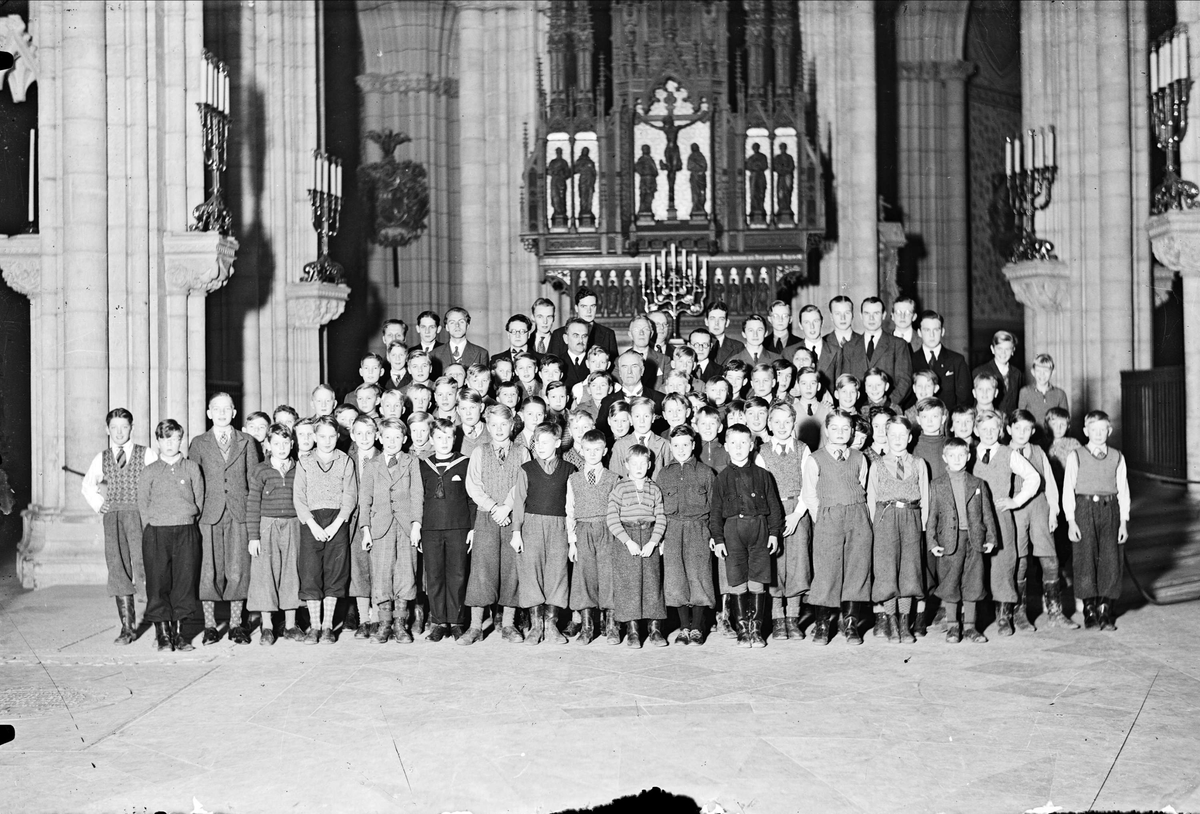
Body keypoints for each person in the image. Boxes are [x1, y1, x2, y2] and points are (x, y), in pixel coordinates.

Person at [190, 392, 263, 646]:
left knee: (238, 568)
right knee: (207, 570)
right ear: (209, 413)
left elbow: (254, 481)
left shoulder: (247, 442)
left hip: (238, 513)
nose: (221, 413)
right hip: (208, 515)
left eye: (227, 409)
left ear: (234, 412)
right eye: (216, 409)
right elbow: (194, 483)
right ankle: (210, 625)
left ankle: (235, 625)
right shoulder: (199, 443)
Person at [82, 407, 157, 645]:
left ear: (132, 428)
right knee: (118, 567)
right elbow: (87, 486)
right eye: (114, 427)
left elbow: (158, 481)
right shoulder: (101, 457)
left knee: (146, 564)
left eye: (124, 427)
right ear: (107, 430)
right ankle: (127, 628)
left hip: (139, 516)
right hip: (113, 517)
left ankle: (160, 624)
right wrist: (99, 503)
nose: (119, 432)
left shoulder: (146, 454)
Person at [708, 423, 784, 647]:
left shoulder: (763, 475)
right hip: (733, 533)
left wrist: (774, 534)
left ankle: (756, 629)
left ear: (752, 445)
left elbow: (774, 507)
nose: (739, 447)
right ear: (726, 447)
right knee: (737, 579)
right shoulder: (721, 478)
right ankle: (742, 629)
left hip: (759, 530)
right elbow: (714, 513)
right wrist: (719, 539)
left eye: (743, 443)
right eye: (734, 443)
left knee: (758, 579)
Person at [801, 410, 872, 646]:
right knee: (826, 572)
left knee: (857, 569)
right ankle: (823, 624)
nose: (840, 433)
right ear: (826, 430)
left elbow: (861, 484)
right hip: (828, 517)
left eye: (846, 429)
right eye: (835, 428)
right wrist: (820, 517)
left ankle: (850, 623)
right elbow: (809, 494)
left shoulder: (860, 458)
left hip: (857, 516)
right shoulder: (815, 458)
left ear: (852, 432)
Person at [460, 405, 529, 644]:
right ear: (487, 427)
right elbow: (473, 485)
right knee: (481, 570)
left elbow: (523, 483)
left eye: (504, 424)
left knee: (512, 569)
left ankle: (508, 625)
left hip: (512, 517)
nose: (499, 429)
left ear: (512, 426)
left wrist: (507, 507)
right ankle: (475, 626)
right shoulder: (480, 451)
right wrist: (493, 507)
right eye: (494, 425)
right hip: (486, 516)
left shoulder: (522, 452)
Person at [971, 409, 1042, 637]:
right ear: (976, 430)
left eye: (994, 429)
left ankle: (1004, 616)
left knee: (1003, 564)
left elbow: (1034, 477)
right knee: (976, 564)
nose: (989, 433)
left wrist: (1015, 501)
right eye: (984, 429)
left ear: (1001, 431)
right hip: (976, 517)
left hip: (1001, 516)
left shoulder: (1008, 453)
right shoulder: (969, 453)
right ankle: (976, 615)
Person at [137, 419, 205, 652]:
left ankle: (180, 633)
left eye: (174, 438)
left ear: (181, 440)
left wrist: (185, 519)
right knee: (158, 583)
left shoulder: (191, 468)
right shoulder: (150, 471)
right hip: (157, 532)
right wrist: (156, 523)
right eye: (165, 439)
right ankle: (163, 633)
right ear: (158, 441)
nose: (170, 443)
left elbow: (200, 500)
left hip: (186, 530)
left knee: (184, 583)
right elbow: (142, 505)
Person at [1007, 410, 1078, 630]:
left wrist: (1053, 510)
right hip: (1016, 510)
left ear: (1034, 430)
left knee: (1050, 560)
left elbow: (1049, 482)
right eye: (1017, 428)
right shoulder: (1003, 452)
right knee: (1021, 562)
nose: (1022, 433)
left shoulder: (1038, 450)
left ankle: (1055, 613)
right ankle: (1019, 614)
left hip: (1039, 507)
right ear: (1009, 429)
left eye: (1027, 428)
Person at [926, 437, 998, 643]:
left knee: (973, 581)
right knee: (950, 582)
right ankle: (952, 627)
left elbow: (987, 513)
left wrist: (991, 537)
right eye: (952, 455)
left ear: (968, 456)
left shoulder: (978, 484)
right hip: (949, 541)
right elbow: (932, 516)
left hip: (974, 540)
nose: (957, 459)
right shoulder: (937, 485)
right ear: (944, 457)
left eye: (961, 455)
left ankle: (970, 627)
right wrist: (932, 542)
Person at [509, 421, 575, 645]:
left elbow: (572, 505)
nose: (541, 446)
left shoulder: (569, 470)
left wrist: (572, 535)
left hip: (559, 526)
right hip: (531, 525)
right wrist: (516, 531)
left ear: (557, 443)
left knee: (557, 573)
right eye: (537, 442)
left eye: (546, 442)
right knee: (531, 573)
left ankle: (551, 624)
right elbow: (519, 502)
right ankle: (536, 626)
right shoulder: (526, 469)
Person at [293, 416, 357, 644]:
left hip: (337, 521)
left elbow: (350, 495)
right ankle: (315, 626)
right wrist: (311, 523)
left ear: (338, 437)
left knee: (335, 572)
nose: (327, 441)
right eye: (322, 436)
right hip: (311, 521)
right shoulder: (304, 462)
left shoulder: (345, 461)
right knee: (311, 573)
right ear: (314, 437)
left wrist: (337, 523)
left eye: (332, 436)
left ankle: (328, 626)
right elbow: (299, 497)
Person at [1063, 410, 1130, 631]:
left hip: (1110, 509)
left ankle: (1105, 609)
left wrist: (1123, 522)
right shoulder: (1077, 455)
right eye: (1094, 430)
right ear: (1085, 431)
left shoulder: (1117, 457)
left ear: (1109, 431)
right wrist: (1071, 520)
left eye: (1103, 430)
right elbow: (1068, 490)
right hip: (1084, 508)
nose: (1098, 434)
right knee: (1084, 557)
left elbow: (1123, 491)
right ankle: (1089, 609)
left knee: (1110, 557)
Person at [358, 418, 423, 644]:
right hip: (380, 527)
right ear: (380, 438)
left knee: (406, 574)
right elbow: (364, 499)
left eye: (397, 438)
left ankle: (400, 624)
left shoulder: (411, 462)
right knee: (382, 574)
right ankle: (384, 623)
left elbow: (417, 495)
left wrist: (416, 525)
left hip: (405, 527)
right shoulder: (373, 465)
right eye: (387, 437)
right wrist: (365, 529)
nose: (392, 442)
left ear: (404, 440)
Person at [866, 416, 929, 643]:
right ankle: (892, 622)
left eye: (903, 435)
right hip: (885, 518)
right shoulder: (878, 464)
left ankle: (905, 623)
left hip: (911, 517)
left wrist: (922, 526)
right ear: (886, 436)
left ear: (910, 438)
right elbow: (871, 498)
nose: (898, 439)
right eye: (893, 434)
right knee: (886, 571)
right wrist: (875, 527)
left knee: (909, 571)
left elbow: (925, 498)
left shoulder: (919, 463)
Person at [754, 402, 812, 641]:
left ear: (793, 422)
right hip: (772, 512)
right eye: (776, 421)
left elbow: (809, 485)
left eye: (787, 421)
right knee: (775, 565)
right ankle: (778, 619)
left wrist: (797, 514)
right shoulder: (763, 452)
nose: (781, 426)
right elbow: (759, 489)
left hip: (798, 510)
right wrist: (773, 519)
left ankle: (793, 618)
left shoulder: (803, 448)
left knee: (798, 564)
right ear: (769, 423)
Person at [412, 418, 473, 642]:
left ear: (455, 439)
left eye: (448, 437)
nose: (444, 441)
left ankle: (457, 622)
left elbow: (472, 499)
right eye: (439, 437)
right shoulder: (422, 465)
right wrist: (416, 526)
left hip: (458, 527)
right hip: (431, 528)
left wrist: (472, 528)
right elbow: (417, 499)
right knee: (435, 576)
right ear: (431, 439)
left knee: (457, 575)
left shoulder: (465, 463)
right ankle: (438, 622)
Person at [656, 426, 717, 645]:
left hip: (698, 529)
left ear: (693, 445)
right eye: (676, 445)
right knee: (675, 579)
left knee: (699, 576)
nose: (681, 449)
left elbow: (714, 507)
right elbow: (658, 507)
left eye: (685, 444)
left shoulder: (705, 472)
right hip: (672, 530)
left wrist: (713, 534)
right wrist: (659, 536)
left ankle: (698, 627)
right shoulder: (663, 474)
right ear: (670, 446)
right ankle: (683, 627)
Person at [606, 444, 669, 647]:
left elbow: (661, 518)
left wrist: (653, 541)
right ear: (627, 465)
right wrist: (627, 541)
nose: (639, 467)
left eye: (643, 463)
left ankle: (655, 629)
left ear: (650, 464)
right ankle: (632, 631)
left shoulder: (654, 488)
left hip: (649, 536)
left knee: (652, 584)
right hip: (627, 538)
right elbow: (611, 517)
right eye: (634, 463)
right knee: (628, 585)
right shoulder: (620, 488)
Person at [246, 423, 302, 645]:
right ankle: (267, 625)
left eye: (286, 443)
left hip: (293, 525)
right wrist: (253, 536)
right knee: (264, 575)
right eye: (276, 443)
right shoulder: (261, 470)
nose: (281, 448)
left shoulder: (299, 468)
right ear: (268, 444)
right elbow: (252, 503)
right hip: (266, 525)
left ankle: (289, 624)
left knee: (291, 573)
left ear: (292, 444)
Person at [565, 429, 619, 644]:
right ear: (581, 450)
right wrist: (572, 541)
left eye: (597, 450)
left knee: (608, 577)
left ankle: (612, 625)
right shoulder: (574, 479)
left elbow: (617, 511)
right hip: (583, 530)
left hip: (607, 530)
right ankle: (588, 627)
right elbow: (569, 510)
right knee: (584, 578)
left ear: (605, 451)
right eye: (588, 450)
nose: (593, 454)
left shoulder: (614, 479)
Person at [835, 297, 912, 406]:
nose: (871, 318)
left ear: (884, 315)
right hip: (858, 410)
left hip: (887, 410)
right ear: (861, 316)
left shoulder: (898, 344)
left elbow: (905, 382)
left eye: (876, 313)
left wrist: (885, 405)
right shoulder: (849, 347)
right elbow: (845, 382)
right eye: (867, 313)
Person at [910, 310, 972, 413]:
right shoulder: (911, 359)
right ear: (919, 333)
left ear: (942, 332)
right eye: (927, 330)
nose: (932, 335)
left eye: (936, 330)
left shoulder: (956, 360)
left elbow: (964, 398)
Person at [548, 286, 619, 363]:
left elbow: (613, 367)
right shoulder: (558, 334)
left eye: (592, 306)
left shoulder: (607, 334)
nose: (589, 311)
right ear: (576, 308)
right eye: (584, 306)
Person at [609, 397, 669, 479]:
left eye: (646, 416)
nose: (642, 421)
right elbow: (614, 477)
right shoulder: (620, 446)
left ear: (653, 418)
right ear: (630, 418)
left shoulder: (664, 444)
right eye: (637, 416)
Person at [1018, 353, 1070, 442]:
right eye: (1038, 371)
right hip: (1032, 439)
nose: (1042, 374)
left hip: (1054, 440)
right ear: (1033, 372)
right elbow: (1021, 419)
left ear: (1053, 372)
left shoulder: (1060, 394)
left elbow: (1065, 420)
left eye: (1046, 371)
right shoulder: (1025, 392)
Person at [786, 303, 839, 390]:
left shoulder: (836, 351)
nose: (812, 326)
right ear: (800, 325)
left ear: (822, 322)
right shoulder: (789, 352)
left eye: (816, 321)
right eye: (807, 322)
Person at [973, 331, 1024, 417]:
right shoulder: (979, 371)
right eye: (999, 349)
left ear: (1013, 350)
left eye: (1007, 349)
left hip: (1010, 423)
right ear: (992, 349)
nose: (1003, 353)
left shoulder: (1017, 373)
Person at [431, 307, 490, 373]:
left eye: (461, 322)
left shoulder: (481, 353)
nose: (457, 325)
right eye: (452, 322)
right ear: (447, 327)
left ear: (467, 326)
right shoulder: (434, 354)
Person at [628, 314, 670, 391]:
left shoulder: (664, 360)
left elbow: (667, 387)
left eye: (646, 329)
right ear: (630, 334)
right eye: (636, 330)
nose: (641, 333)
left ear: (652, 334)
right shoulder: (619, 360)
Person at [704, 301, 745, 366]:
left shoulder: (738, 347)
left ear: (727, 323)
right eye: (712, 318)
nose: (716, 323)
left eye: (721, 319)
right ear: (706, 321)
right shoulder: (698, 346)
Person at [559, 317, 593, 395]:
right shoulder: (558, 362)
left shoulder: (595, 362)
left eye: (584, 336)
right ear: (566, 338)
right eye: (576, 335)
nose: (581, 340)